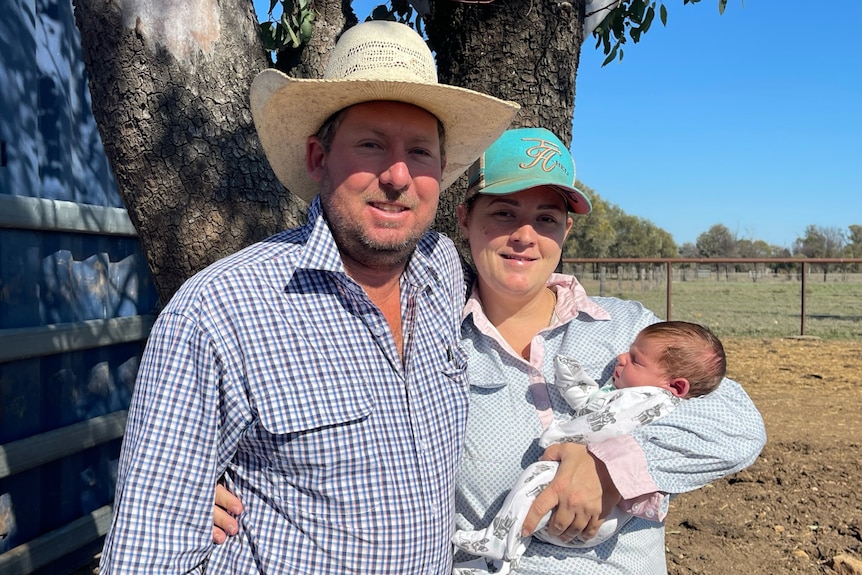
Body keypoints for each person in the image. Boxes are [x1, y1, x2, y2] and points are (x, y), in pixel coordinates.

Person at [211, 127, 766, 575]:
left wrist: (608, 463)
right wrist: (232, 483)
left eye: (546, 218)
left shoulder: (626, 328)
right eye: (503, 212)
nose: (525, 234)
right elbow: (348, 445)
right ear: (466, 219)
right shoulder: (428, 338)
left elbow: (738, 424)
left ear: (566, 232)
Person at [98, 21, 520, 574]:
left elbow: (527, 290)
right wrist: (181, 498)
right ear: (319, 157)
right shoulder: (220, 311)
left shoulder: (440, 270)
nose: (398, 176)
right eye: (371, 145)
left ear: (440, 172)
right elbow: (148, 554)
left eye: (420, 152)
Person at [452, 321, 727, 573]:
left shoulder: (650, 400)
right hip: (598, 516)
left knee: (535, 477)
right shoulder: (636, 397)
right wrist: (574, 381)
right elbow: (593, 405)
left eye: (635, 360)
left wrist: (559, 435)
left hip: (595, 514)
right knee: (533, 496)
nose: (621, 358)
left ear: (676, 386)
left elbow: (599, 423)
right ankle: (500, 557)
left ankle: (497, 541)